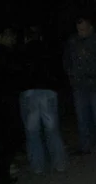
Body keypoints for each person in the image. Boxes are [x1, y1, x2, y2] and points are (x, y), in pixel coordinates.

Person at [18, 26, 67, 174]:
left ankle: (37, 166)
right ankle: (59, 163)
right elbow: (58, 68)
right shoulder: (49, 50)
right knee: (52, 129)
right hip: (48, 90)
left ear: (26, 38)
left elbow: (17, 73)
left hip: (29, 91)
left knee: (32, 132)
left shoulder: (22, 52)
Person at [63, 16, 96, 158]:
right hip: (78, 85)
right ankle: (85, 146)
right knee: (82, 117)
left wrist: (90, 60)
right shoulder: (73, 41)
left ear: (90, 27)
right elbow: (66, 60)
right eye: (78, 29)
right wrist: (71, 73)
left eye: (83, 29)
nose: (81, 32)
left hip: (95, 84)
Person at [0, 27, 22, 184]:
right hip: (3, 102)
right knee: (6, 140)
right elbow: (15, 75)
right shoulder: (3, 53)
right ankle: (2, 174)